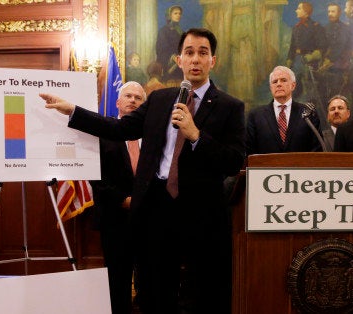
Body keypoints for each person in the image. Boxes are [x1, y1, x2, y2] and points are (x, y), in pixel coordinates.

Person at [41, 28, 245, 314]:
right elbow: (119, 128)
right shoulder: (160, 99)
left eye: (203, 52)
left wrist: (196, 134)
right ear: (178, 59)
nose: (195, 59)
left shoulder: (230, 107)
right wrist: (74, 111)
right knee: (156, 289)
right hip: (156, 207)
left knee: (204, 293)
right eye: (189, 52)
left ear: (214, 60)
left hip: (201, 213)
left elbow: (234, 161)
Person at [88, 81, 146, 314]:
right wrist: (122, 200)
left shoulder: (154, 137)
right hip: (115, 219)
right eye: (128, 96)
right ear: (117, 102)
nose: (133, 100)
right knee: (117, 279)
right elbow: (96, 177)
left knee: (149, 277)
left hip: (148, 219)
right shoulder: (103, 133)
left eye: (138, 98)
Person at [246, 66, 322, 155]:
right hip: (267, 168)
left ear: (293, 85)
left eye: (283, 80)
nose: (278, 84)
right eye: (275, 82)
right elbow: (249, 152)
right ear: (271, 88)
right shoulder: (256, 116)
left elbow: (317, 150)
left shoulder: (308, 113)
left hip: (300, 167)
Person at [286, 2, 326, 107]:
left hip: (310, 61)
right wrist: (289, 62)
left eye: (299, 8)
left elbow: (322, 47)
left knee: (310, 89)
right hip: (297, 61)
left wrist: (312, 56)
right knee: (294, 87)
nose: (296, 10)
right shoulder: (296, 28)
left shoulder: (316, 27)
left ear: (306, 12)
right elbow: (292, 47)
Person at [319, 3, 350, 104]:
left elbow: (341, 46)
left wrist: (330, 60)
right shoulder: (325, 28)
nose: (330, 14)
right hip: (326, 66)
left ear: (339, 13)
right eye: (329, 11)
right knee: (323, 93)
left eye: (333, 11)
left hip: (339, 66)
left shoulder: (345, 28)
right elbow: (323, 46)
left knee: (336, 93)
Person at [156, 5, 184, 85]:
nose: (178, 15)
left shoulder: (181, 32)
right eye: (175, 13)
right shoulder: (163, 31)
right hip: (167, 64)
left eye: (179, 13)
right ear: (169, 15)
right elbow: (161, 48)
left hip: (180, 64)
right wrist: (172, 57)